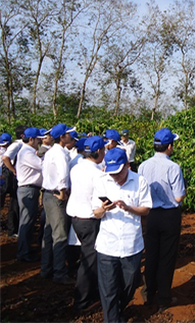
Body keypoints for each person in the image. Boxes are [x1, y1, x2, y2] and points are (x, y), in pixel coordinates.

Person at [92, 148, 152, 323]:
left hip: (131, 243)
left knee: (131, 282)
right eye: (112, 174)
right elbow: (95, 213)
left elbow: (146, 209)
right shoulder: (101, 181)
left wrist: (129, 208)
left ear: (127, 165)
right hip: (107, 244)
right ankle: (112, 318)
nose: (115, 177)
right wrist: (103, 209)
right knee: (108, 288)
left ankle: (117, 308)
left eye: (118, 172)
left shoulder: (139, 181)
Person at [138, 128, 186, 311]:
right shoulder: (173, 167)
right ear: (170, 146)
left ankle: (148, 294)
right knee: (166, 257)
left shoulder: (143, 165)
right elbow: (179, 197)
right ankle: (163, 298)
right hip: (169, 216)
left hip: (150, 215)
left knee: (151, 254)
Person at [67, 136, 106, 312]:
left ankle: (89, 292)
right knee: (89, 260)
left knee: (86, 255)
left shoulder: (76, 168)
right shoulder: (98, 174)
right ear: (98, 152)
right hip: (89, 219)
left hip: (76, 218)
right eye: (103, 150)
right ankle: (82, 301)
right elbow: (99, 202)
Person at [41, 123, 76, 284]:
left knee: (49, 233)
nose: (71, 136)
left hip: (48, 194)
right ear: (62, 137)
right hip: (56, 196)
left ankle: (46, 268)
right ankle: (59, 273)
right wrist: (63, 193)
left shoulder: (50, 152)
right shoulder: (61, 153)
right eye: (68, 134)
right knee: (60, 235)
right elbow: (63, 175)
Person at [15, 127, 45, 262]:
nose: (39, 142)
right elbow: (42, 166)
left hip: (28, 189)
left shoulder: (28, 151)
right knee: (27, 222)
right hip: (28, 189)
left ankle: (25, 249)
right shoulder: (27, 153)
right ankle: (23, 253)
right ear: (31, 139)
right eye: (38, 139)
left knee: (28, 221)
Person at [2, 125, 28, 238]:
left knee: (17, 202)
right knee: (14, 202)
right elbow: (5, 158)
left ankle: (16, 228)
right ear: (22, 135)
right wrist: (13, 170)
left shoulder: (22, 145)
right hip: (13, 176)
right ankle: (12, 230)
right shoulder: (17, 144)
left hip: (17, 175)